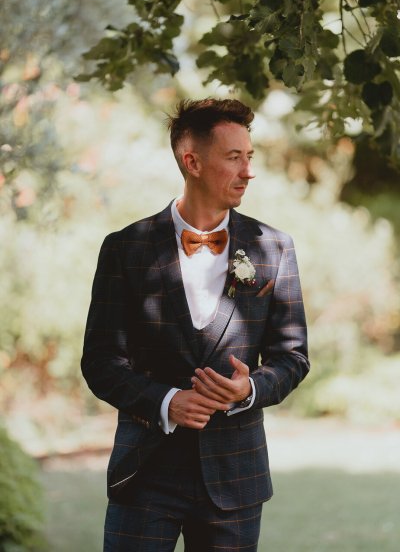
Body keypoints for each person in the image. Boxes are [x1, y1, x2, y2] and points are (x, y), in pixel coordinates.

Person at [82, 98, 309, 552]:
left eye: (250, 157)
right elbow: (101, 362)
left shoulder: (274, 248)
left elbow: (292, 357)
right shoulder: (126, 248)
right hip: (144, 472)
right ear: (193, 161)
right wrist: (167, 401)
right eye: (234, 158)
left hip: (235, 478)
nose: (248, 171)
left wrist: (250, 389)